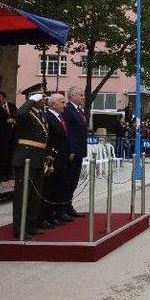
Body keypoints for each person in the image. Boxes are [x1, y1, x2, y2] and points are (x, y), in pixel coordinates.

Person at [11, 91, 49, 239]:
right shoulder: (25, 113)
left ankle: (30, 226)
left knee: (34, 195)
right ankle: (19, 229)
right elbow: (18, 115)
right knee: (22, 195)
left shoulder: (40, 114)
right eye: (41, 98)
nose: (43, 100)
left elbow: (43, 139)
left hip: (37, 158)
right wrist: (31, 101)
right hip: (25, 158)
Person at [39, 94, 71, 229]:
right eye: (62, 102)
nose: (64, 105)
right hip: (52, 159)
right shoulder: (48, 117)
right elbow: (48, 139)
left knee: (57, 188)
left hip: (61, 158)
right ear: (53, 104)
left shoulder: (59, 117)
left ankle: (52, 214)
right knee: (48, 188)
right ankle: (44, 216)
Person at [62, 86, 87, 219]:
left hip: (79, 151)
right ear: (72, 96)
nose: (83, 97)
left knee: (74, 180)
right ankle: (63, 207)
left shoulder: (78, 110)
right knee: (68, 180)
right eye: (81, 94)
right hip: (72, 152)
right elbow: (68, 133)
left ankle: (69, 205)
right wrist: (70, 150)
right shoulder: (68, 110)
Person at [0, 91, 18, 181]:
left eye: (0, 99)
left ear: (5, 98)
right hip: (4, 136)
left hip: (13, 135)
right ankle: (3, 175)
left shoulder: (12, 105)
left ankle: (10, 174)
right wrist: (6, 121)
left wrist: (15, 120)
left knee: (12, 155)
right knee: (4, 155)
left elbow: (17, 116)